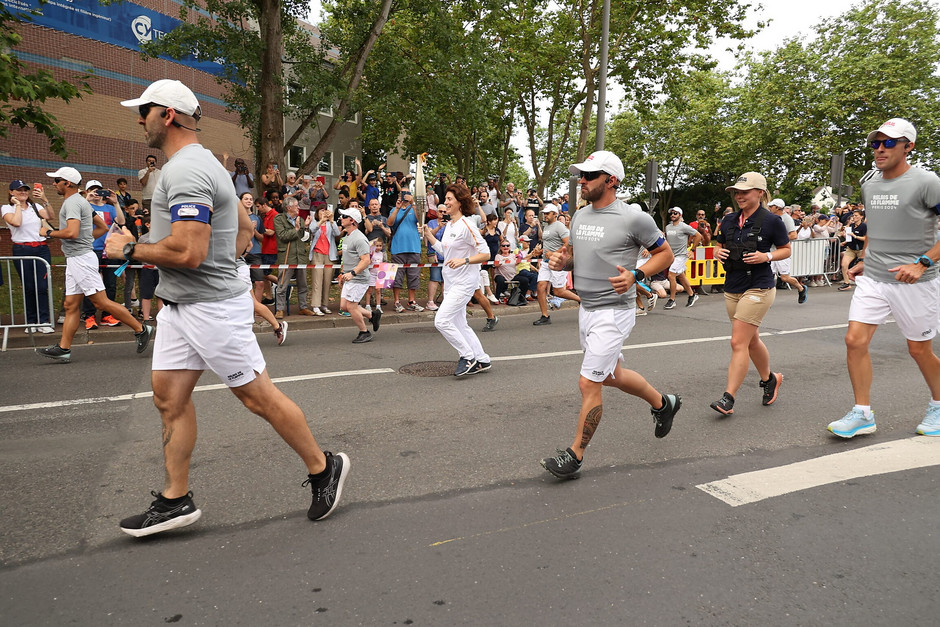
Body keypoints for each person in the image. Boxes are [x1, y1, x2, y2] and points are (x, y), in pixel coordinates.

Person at [106, 79, 349, 536]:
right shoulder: (203, 165)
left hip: (211, 308)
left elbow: (187, 252)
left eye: (145, 111)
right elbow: (243, 224)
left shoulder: (186, 171)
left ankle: (324, 467)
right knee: (168, 399)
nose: (139, 120)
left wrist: (129, 249)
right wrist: (227, 260)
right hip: (181, 306)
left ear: (169, 115)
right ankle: (175, 499)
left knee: (257, 397)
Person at [539, 151, 681, 479]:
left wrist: (637, 275)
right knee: (612, 375)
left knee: (589, 382)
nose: (582, 180)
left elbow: (665, 254)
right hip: (586, 310)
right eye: (581, 175)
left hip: (614, 312)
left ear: (611, 180)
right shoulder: (578, 216)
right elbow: (573, 256)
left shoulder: (633, 218)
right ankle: (664, 404)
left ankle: (575, 455)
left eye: (590, 175)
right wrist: (563, 262)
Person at [826, 118, 940, 438]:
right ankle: (862, 413)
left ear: (908, 146)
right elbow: (875, 227)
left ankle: (939, 405)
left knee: (919, 350)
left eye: (889, 142)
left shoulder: (927, 182)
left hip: (915, 280)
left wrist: (920, 264)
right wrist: (864, 258)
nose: (879, 149)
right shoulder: (870, 182)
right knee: (854, 341)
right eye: (876, 143)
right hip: (874, 276)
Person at [36, 166, 153, 363]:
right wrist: (86, 240)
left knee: (101, 302)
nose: (54, 183)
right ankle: (64, 348)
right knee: (71, 305)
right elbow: (103, 227)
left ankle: (142, 329)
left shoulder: (72, 203)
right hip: (78, 257)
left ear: (68, 183)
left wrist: (48, 233)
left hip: (81, 259)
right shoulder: (81, 202)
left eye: (57, 180)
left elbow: (72, 233)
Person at [710, 172, 791, 416]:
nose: (739, 196)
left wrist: (766, 256)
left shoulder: (772, 221)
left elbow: (785, 250)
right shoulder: (728, 219)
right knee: (750, 339)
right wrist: (717, 252)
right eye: (736, 192)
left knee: (738, 342)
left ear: (761, 194)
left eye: (745, 192)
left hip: (760, 286)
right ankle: (770, 379)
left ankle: (728, 397)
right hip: (733, 285)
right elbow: (718, 244)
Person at [421, 185, 492, 375]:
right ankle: (482, 359)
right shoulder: (450, 225)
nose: (446, 202)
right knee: (460, 324)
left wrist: (465, 260)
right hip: (450, 281)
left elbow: (486, 253)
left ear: (460, 202)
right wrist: (429, 235)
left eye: (450, 199)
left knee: (442, 321)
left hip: (465, 282)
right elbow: (446, 251)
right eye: (446, 198)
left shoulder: (468, 225)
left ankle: (467, 356)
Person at [2, 180, 55, 332]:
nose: (23, 193)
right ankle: (31, 321)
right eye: (19, 190)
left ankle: (43, 321)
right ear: (11, 192)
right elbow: (16, 222)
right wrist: (18, 205)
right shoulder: (7, 208)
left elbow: (51, 216)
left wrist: (44, 199)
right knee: (29, 286)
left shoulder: (35, 206)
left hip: (41, 249)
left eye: (25, 190)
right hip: (22, 249)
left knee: (42, 286)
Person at [533, 203, 580, 325]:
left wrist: (554, 253)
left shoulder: (559, 226)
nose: (545, 216)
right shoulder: (547, 227)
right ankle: (545, 316)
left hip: (558, 263)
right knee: (540, 287)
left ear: (555, 214)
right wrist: (540, 251)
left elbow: (568, 243)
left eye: (547, 213)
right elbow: (549, 244)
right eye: (544, 214)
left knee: (558, 292)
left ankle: (582, 300)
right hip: (545, 262)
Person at [273, 197, 315, 318]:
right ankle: (280, 309)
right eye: (296, 206)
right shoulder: (279, 219)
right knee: (282, 284)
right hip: (286, 255)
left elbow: (303, 237)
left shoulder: (300, 219)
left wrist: (305, 226)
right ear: (288, 207)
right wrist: (296, 229)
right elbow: (282, 236)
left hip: (299, 255)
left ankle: (303, 307)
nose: (298, 208)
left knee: (303, 284)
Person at [388, 191, 424, 312]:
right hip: (398, 248)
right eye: (402, 194)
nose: (404, 197)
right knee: (397, 276)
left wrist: (413, 203)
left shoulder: (414, 208)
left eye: (407, 194)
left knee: (413, 276)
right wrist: (397, 209)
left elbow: (421, 218)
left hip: (414, 248)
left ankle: (411, 301)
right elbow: (389, 223)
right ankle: (397, 301)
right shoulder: (394, 209)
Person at [768, 198, 808, 303]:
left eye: (771, 206)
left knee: (785, 278)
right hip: (771, 251)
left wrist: (779, 240)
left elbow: (793, 235)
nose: (769, 208)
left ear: (777, 208)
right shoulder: (771, 218)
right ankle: (766, 300)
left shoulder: (786, 219)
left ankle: (801, 288)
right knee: (767, 275)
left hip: (782, 251)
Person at [663, 207, 702, 309]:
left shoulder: (684, 226)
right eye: (671, 213)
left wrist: (692, 250)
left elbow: (698, 236)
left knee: (671, 275)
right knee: (680, 276)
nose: (672, 215)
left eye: (675, 213)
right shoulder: (668, 227)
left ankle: (672, 300)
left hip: (681, 256)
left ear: (680, 215)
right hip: (672, 256)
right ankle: (692, 295)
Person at [308, 205, 339, 315]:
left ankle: (324, 305)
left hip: (329, 255)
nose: (324, 212)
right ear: (317, 213)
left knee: (327, 281)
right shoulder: (314, 222)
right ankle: (315, 306)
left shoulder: (330, 224)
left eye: (325, 210)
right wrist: (321, 221)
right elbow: (312, 230)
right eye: (322, 210)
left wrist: (331, 220)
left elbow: (337, 233)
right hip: (317, 254)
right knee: (317, 280)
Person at [838, 210, 867, 291]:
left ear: (861, 217)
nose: (854, 217)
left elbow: (865, 238)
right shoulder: (851, 225)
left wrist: (855, 236)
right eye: (853, 215)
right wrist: (845, 240)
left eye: (856, 215)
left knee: (863, 267)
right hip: (851, 248)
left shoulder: (864, 226)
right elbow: (849, 236)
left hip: (861, 249)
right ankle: (846, 283)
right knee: (844, 264)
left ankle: (865, 283)